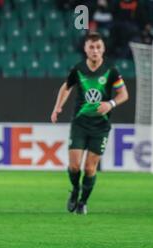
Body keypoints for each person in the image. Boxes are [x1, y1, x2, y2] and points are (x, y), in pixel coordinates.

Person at [50, 32, 129, 215]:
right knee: (75, 165)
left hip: (100, 127)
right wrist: (57, 108)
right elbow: (66, 87)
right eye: (91, 47)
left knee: (89, 167)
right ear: (85, 49)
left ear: (103, 49)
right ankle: (75, 190)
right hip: (80, 123)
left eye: (98, 47)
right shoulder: (78, 69)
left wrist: (110, 104)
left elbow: (123, 94)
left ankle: (83, 202)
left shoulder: (111, 70)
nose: (95, 50)